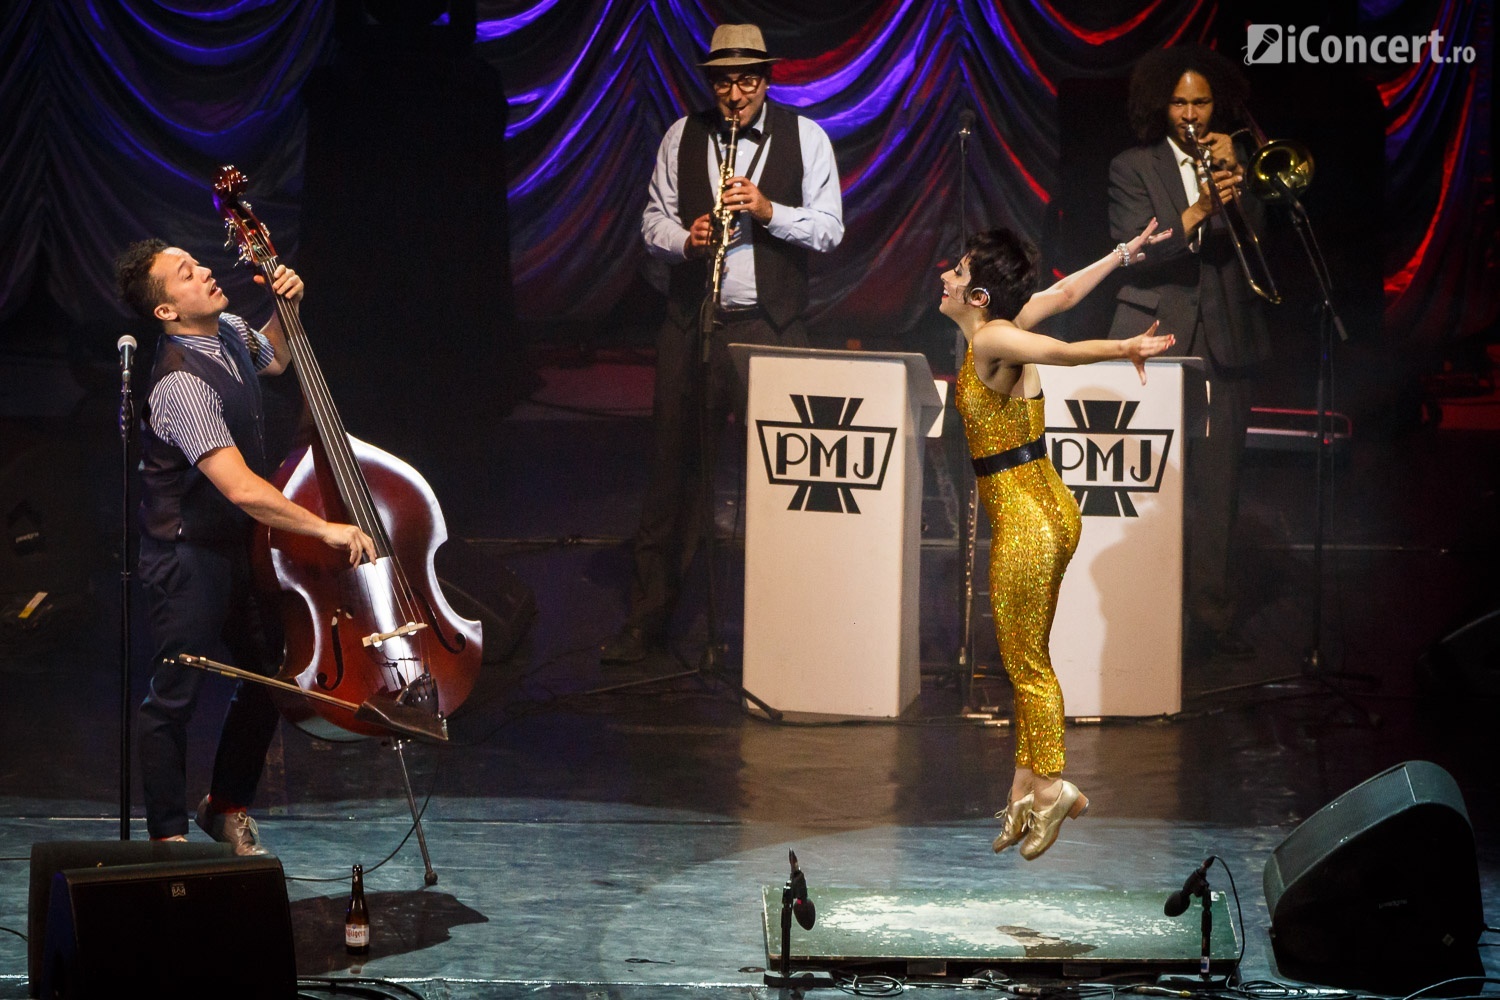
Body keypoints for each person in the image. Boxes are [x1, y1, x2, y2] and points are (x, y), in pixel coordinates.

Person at [114, 240, 376, 854]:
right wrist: (324, 529)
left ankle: (226, 805)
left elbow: (276, 359)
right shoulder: (179, 384)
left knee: (271, 675)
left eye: (197, 263)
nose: (205, 271)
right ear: (165, 312)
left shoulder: (228, 329)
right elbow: (239, 487)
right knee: (174, 696)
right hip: (186, 554)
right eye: (187, 274)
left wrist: (288, 309)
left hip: (237, 545)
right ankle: (168, 837)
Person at [601, 23, 844, 664]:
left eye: (747, 81)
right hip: (694, 322)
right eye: (724, 83)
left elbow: (829, 230)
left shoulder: (807, 138)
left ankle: (790, 623)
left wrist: (768, 211)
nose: (735, 95)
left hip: (772, 326)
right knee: (673, 473)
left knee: (784, 475)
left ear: (767, 79)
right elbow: (651, 222)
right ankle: (649, 621)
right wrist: (687, 239)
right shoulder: (681, 135)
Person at [940, 221, 1174, 860]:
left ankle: (1051, 787)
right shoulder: (1000, 329)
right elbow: (1065, 294)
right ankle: (1023, 787)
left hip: (1027, 524)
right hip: (1049, 511)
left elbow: (1061, 350)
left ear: (979, 295)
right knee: (1027, 658)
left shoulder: (994, 338)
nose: (945, 277)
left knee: (1027, 666)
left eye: (958, 272)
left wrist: (1122, 346)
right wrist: (1121, 253)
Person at [1107, 45, 1271, 660]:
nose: (1190, 114)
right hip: (1154, 336)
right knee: (1144, 483)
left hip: (1226, 336)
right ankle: (1141, 610)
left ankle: (1210, 620)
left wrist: (1241, 185)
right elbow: (1135, 249)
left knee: (1218, 484)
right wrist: (1201, 206)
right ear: (1161, 104)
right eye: (1179, 102)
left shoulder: (1237, 162)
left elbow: (1260, 242)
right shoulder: (1132, 166)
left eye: (1200, 102)